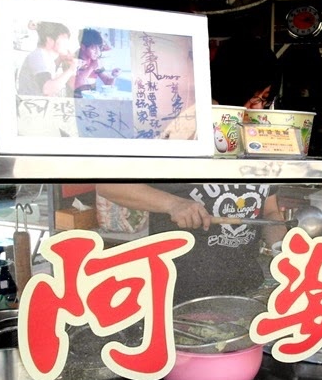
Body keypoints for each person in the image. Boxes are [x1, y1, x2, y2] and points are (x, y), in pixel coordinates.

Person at [95, 35, 285, 304]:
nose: (258, 108)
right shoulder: (185, 123)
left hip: (244, 289)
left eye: (265, 100)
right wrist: (173, 204)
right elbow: (110, 184)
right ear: (231, 83)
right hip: (178, 290)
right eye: (253, 97)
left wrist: (283, 250)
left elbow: (270, 211)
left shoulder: (258, 134)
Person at [17, 21, 81, 97]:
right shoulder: (38, 56)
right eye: (64, 38)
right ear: (49, 40)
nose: (67, 43)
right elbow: (47, 90)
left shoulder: (44, 55)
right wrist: (71, 69)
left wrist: (60, 59)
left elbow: (47, 73)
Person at [72, 28, 121, 97]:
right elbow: (75, 85)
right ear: (83, 47)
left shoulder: (94, 61)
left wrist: (114, 76)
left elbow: (107, 82)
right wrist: (91, 67)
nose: (98, 52)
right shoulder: (72, 60)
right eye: (94, 48)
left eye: (99, 48)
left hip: (91, 101)